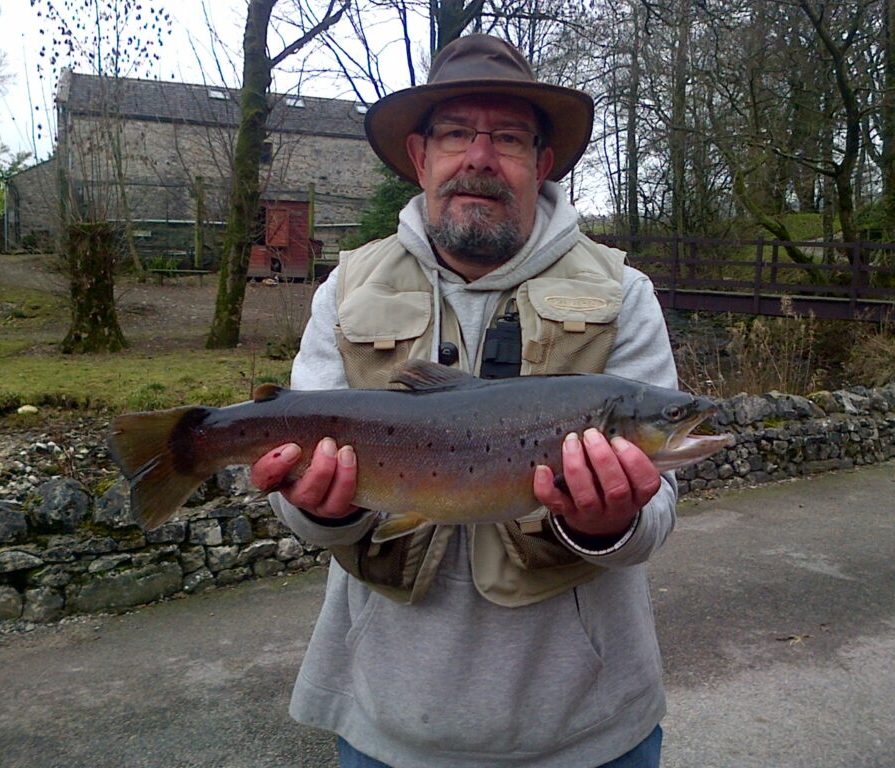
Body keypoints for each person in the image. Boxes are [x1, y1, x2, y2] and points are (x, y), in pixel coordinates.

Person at [250, 34, 678, 768]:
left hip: (588, 730)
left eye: (508, 137)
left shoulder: (624, 292)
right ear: (420, 156)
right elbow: (302, 516)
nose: (479, 156)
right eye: (455, 133)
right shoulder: (345, 289)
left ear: (542, 163)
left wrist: (614, 525)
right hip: (387, 727)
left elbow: (659, 509)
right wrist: (318, 508)